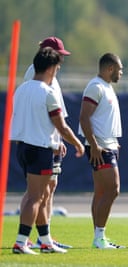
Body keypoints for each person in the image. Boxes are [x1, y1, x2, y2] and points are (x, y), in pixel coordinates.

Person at [10, 47, 84, 254]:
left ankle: (45, 241)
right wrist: (77, 144)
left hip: (22, 147)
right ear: (51, 68)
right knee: (35, 197)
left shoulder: (21, 89)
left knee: (40, 196)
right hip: (40, 148)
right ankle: (21, 241)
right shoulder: (48, 92)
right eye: (58, 67)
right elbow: (61, 125)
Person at [23, 36, 73, 250]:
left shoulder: (47, 74)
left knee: (48, 188)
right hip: (43, 142)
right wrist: (56, 139)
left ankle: (45, 236)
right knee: (39, 191)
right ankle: (37, 237)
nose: (61, 59)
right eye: (59, 54)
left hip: (49, 140)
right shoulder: (39, 75)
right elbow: (42, 112)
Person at [79, 53, 125, 249]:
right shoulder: (95, 86)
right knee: (113, 189)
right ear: (110, 69)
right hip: (100, 147)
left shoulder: (106, 87)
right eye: (120, 69)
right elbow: (84, 118)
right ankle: (99, 237)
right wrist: (95, 145)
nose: (121, 73)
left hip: (109, 144)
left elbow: (103, 120)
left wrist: (114, 142)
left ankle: (99, 239)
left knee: (100, 192)